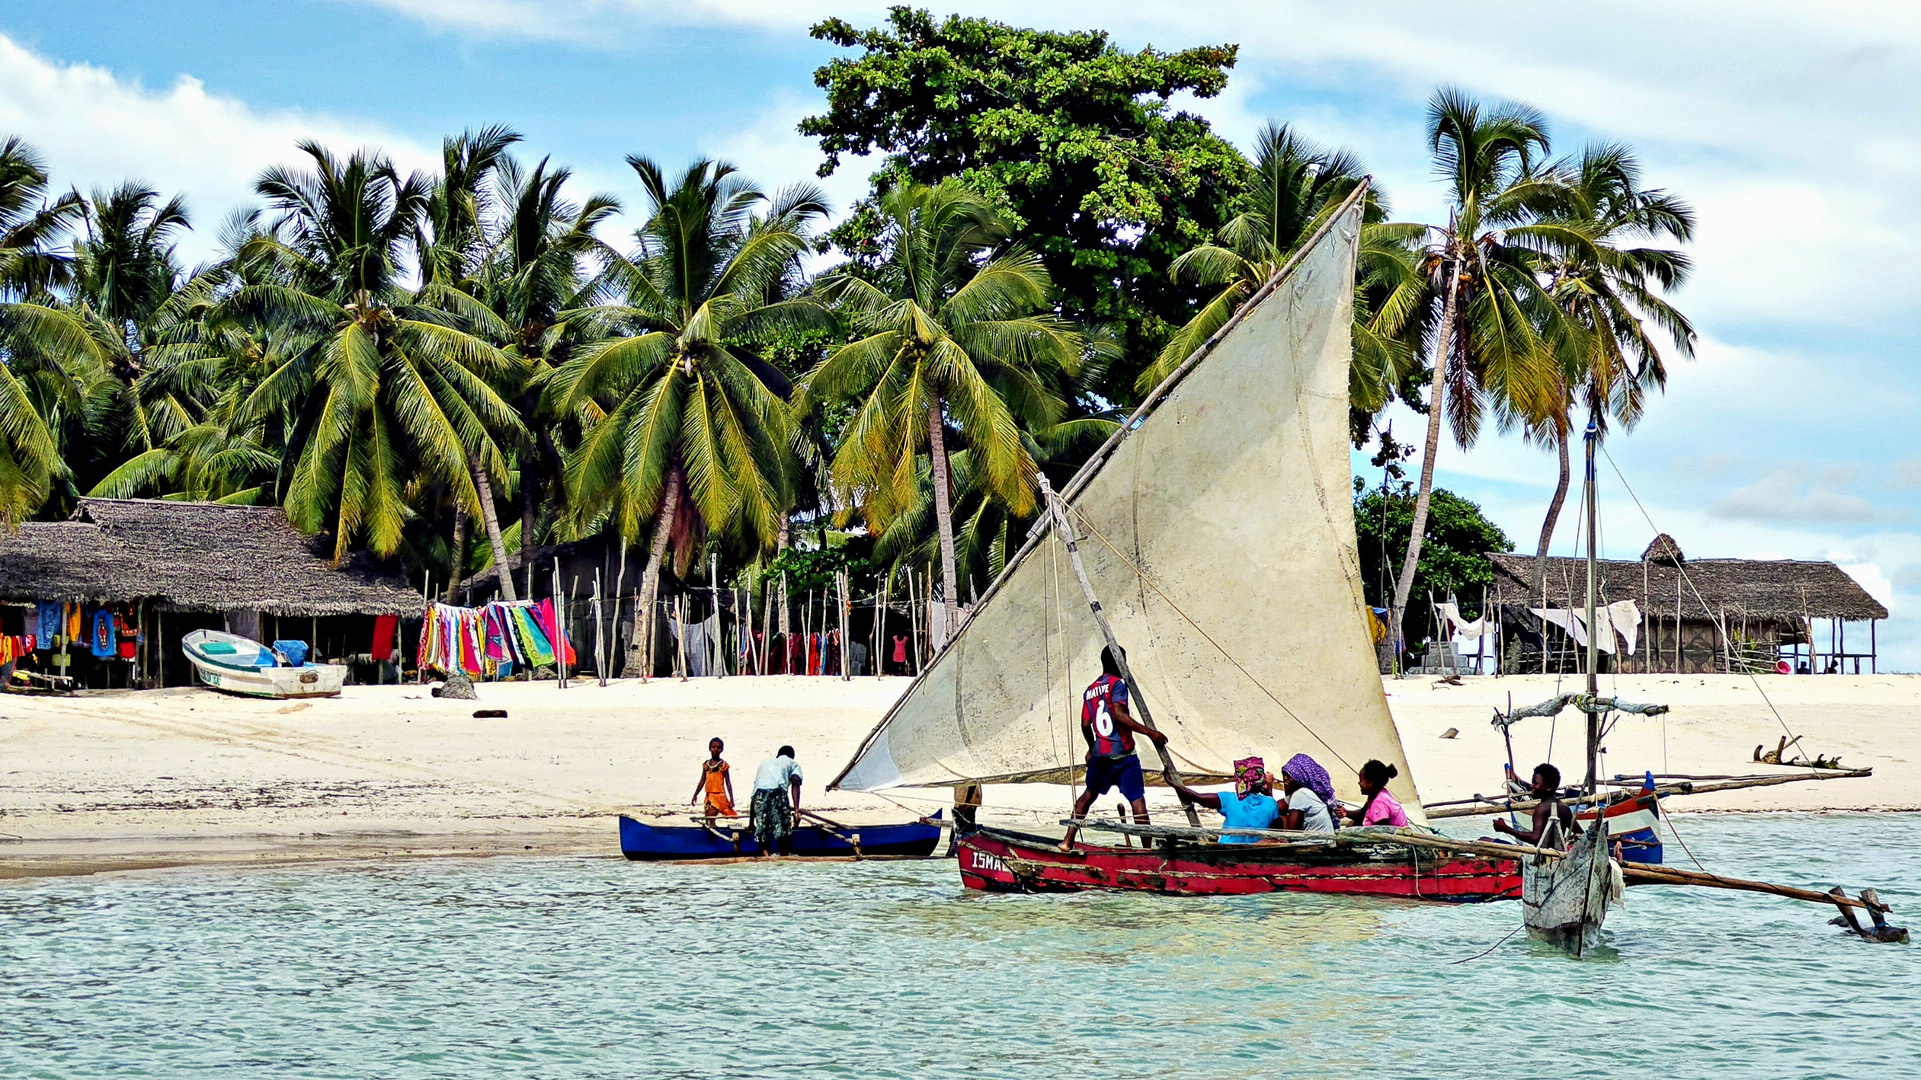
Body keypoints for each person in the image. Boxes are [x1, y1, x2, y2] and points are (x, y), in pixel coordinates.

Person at [1057, 646, 1168, 851]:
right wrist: (1149, 732)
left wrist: (1091, 748)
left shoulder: (1090, 690)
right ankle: (1146, 850)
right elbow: (1118, 715)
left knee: (1088, 795)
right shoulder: (1117, 684)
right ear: (1116, 661)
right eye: (1122, 660)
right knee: (1137, 801)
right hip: (1123, 754)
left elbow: (1084, 724)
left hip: (1101, 755)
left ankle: (1067, 841)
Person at [1170, 757, 1280, 843]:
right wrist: (1268, 790)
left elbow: (1197, 797)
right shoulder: (1271, 803)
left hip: (1228, 849)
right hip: (1256, 853)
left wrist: (1174, 785)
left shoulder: (1229, 799)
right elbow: (1276, 834)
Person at [1492, 762, 1576, 847]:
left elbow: (1535, 838)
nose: (1531, 786)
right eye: (1532, 782)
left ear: (1548, 788)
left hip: (1544, 856)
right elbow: (1580, 833)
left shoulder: (1541, 808)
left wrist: (1506, 829)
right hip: (1558, 854)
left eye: (1535, 783)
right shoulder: (1563, 807)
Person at [750, 745, 803, 856]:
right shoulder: (792, 762)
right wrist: (797, 811)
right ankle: (784, 856)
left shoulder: (764, 764)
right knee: (784, 829)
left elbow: (754, 796)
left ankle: (766, 856)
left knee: (762, 829)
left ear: (777, 755)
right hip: (778, 791)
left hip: (760, 793)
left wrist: (751, 824)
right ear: (792, 756)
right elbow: (795, 781)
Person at [1277, 753, 1339, 833]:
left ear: (1301, 777)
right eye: (1284, 775)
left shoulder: (1300, 794)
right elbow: (1275, 807)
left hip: (1316, 843)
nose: (1285, 778)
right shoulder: (1305, 793)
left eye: (1289, 776)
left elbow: (1291, 833)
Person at [1343, 759, 1410, 828]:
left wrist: (1355, 826)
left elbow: (1381, 830)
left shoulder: (1380, 802)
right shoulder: (1374, 796)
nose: (1359, 783)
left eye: (1361, 780)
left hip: (1393, 837)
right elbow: (1362, 814)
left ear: (1371, 782)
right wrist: (1346, 813)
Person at [688, 737, 736, 827]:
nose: (716, 749)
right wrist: (695, 795)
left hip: (719, 795)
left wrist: (731, 799)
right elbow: (702, 781)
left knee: (711, 817)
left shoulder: (723, 765)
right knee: (709, 820)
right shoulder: (706, 764)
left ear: (722, 749)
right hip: (709, 795)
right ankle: (711, 838)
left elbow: (728, 783)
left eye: (718, 747)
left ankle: (713, 837)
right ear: (709, 748)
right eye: (713, 747)